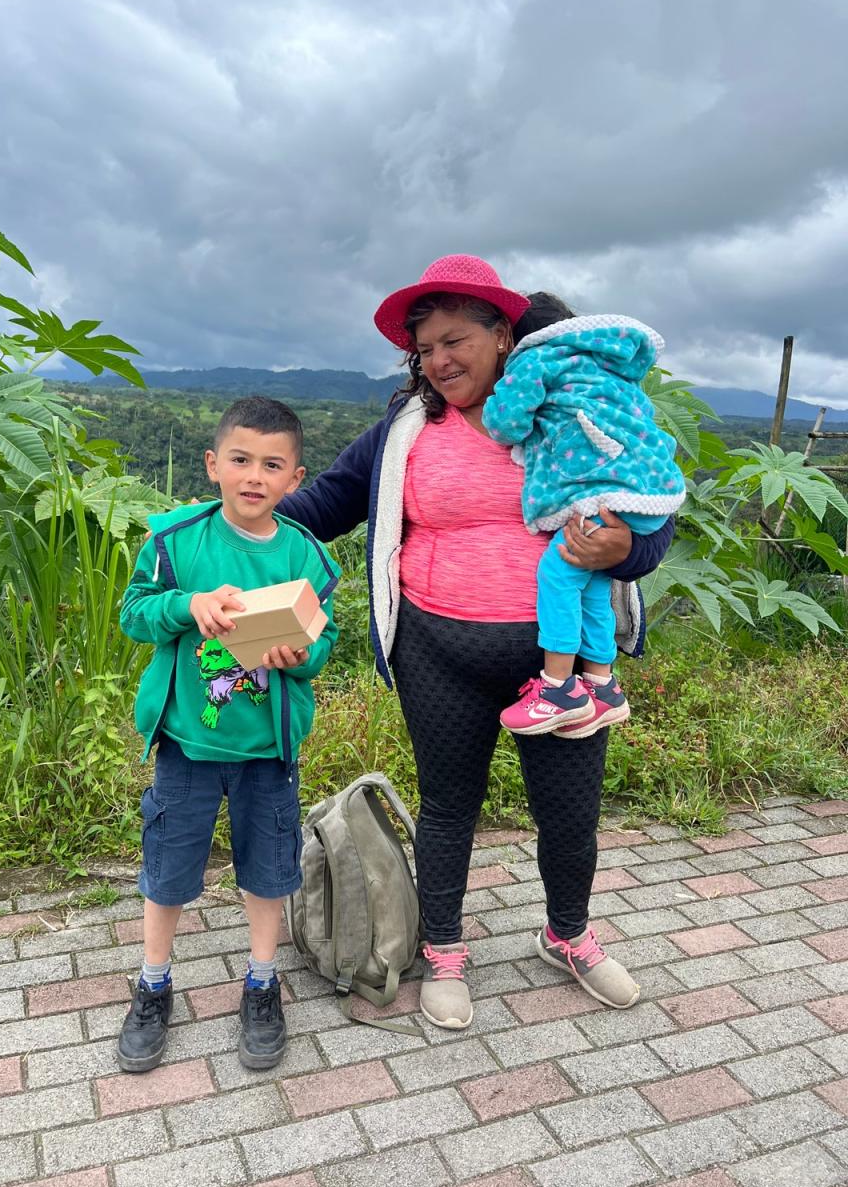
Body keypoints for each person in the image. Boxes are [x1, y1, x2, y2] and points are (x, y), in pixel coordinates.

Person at [278, 255, 673, 1031]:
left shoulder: (575, 410)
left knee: (569, 813)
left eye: (456, 340)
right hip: (437, 654)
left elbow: (652, 517)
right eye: (425, 349)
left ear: (503, 335)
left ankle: (568, 937)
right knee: (448, 808)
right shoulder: (405, 429)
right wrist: (232, 528)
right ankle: (447, 951)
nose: (440, 361)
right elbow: (322, 504)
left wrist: (624, 552)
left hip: (558, 671)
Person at [117, 396, 339, 1072]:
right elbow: (135, 614)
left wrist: (301, 655)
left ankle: (262, 982)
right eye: (240, 460)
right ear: (214, 465)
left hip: (267, 752)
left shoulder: (306, 558)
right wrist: (189, 605)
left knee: (268, 872)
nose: (253, 476)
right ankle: (154, 983)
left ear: (295, 479)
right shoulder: (178, 542)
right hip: (187, 745)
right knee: (168, 870)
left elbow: (323, 644)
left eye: (272, 465)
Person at [482, 296, 685, 739]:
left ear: (511, 338)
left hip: (605, 498)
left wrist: (506, 387)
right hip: (648, 495)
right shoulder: (604, 359)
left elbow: (505, 424)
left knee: (557, 573)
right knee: (593, 586)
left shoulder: (538, 356)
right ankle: (601, 685)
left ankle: (558, 689)